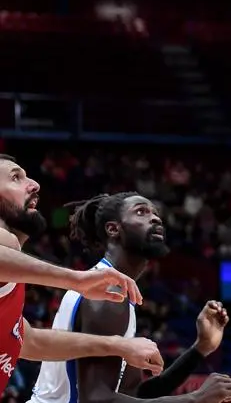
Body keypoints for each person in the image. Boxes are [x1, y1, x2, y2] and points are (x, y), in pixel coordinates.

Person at [30, 191, 231, 403]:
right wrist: (196, 399)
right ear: (113, 229)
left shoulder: (116, 289)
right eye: (141, 212)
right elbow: (96, 399)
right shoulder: (106, 293)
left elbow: (134, 394)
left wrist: (201, 348)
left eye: (156, 213)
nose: (155, 218)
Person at [0, 155, 165, 393]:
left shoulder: (11, 280)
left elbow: (31, 341)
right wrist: (78, 280)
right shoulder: (7, 245)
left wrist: (118, 345)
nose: (34, 184)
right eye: (16, 177)